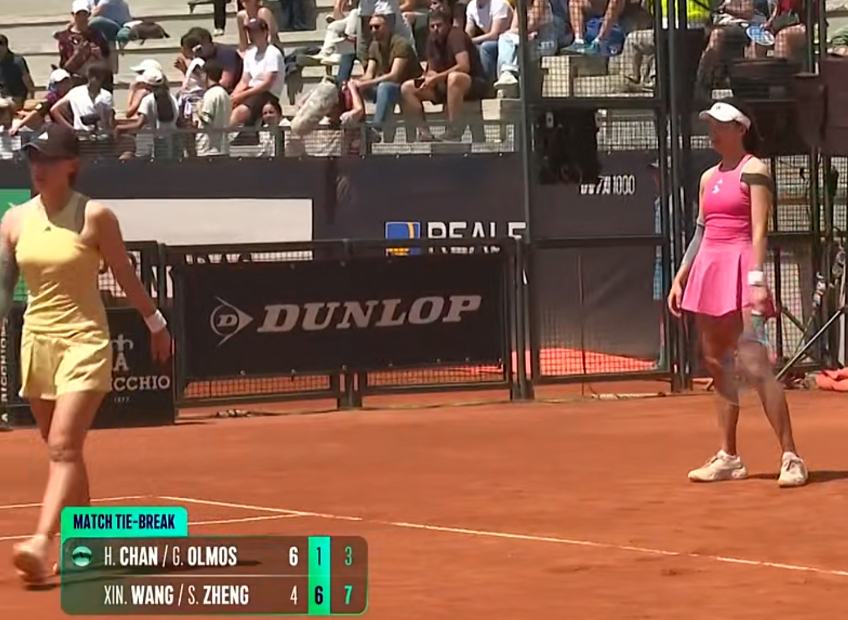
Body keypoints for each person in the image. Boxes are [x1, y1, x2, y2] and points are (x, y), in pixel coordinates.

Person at [1, 123, 172, 584]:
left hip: (85, 341)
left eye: (49, 159)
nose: (38, 167)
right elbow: (4, 286)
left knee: (62, 446)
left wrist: (155, 322)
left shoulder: (96, 217)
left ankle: (41, 542)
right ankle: (88, 546)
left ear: (71, 165)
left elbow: (124, 274)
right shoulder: (14, 220)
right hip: (37, 341)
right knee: (63, 449)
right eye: (34, 158)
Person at [667, 97, 808, 487]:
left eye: (720, 126)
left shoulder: (755, 170)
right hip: (709, 272)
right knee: (717, 364)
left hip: (742, 271)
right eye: (710, 126)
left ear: (740, 130)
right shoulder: (707, 178)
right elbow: (701, 232)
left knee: (755, 364)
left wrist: (757, 280)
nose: (713, 132)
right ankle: (728, 457)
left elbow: (759, 230)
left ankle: (791, 457)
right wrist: (681, 275)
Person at [400, 8, 489, 142]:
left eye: (439, 25)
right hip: (444, 84)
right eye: (432, 26)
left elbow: (464, 66)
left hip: (472, 83)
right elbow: (431, 68)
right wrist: (428, 78)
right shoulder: (431, 40)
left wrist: (436, 78)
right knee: (407, 87)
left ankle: (453, 130)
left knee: (454, 78)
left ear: (448, 25)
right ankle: (425, 133)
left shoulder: (456, 36)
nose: (435, 29)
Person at [355, 13, 422, 137]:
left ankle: (376, 127)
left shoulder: (401, 44)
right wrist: (356, 82)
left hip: (407, 86)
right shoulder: (374, 46)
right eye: (371, 27)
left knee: (384, 87)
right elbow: (369, 74)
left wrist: (367, 83)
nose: (373, 30)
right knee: (357, 88)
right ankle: (358, 125)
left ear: (388, 27)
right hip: (388, 87)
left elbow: (394, 75)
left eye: (377, 26)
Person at [230, 18, 286, 129]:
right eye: (250, 32)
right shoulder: (250, 54)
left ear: (265, 32)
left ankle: (222, 135)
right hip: (252, 91)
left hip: (268, 93)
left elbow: (267, 84)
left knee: (240, 112)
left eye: (255, 32)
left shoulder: (273, 52)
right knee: (227, 105)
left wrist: (241, 96)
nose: (252, 35)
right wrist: (233, 96)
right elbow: (244, 81)